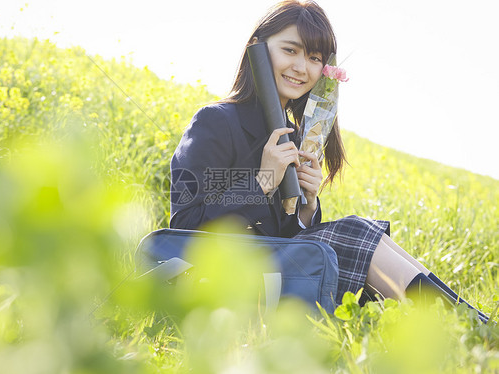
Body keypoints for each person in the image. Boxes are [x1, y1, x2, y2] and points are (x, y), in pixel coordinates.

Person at [169, 0, 488, 323]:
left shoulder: (294, 137)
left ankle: (472, 324)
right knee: (353, 231)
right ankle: (468, 328)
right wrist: (263, 181)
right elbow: (183, 227)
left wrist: (306, 208)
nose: (301, 67)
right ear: (257, 48)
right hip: (223, 283)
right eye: (290, 50)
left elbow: (286, 236)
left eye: (314, 58)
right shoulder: (215, 121)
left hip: (273, 278)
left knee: (361, 232)